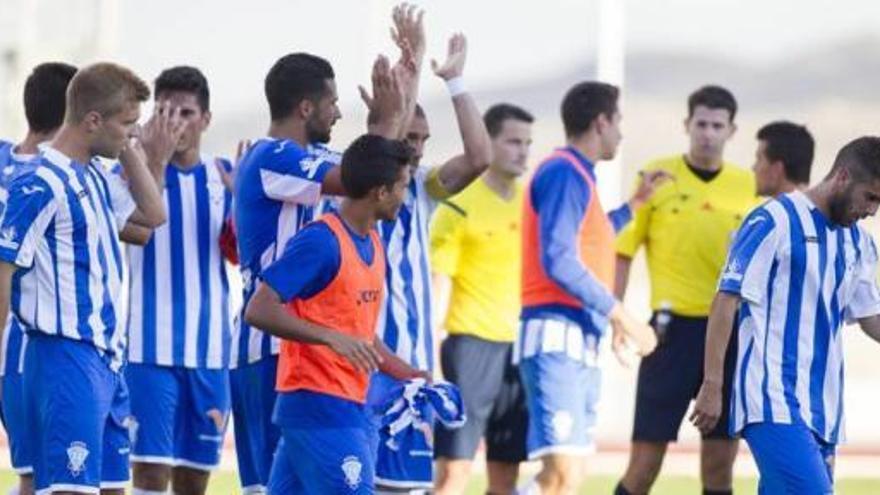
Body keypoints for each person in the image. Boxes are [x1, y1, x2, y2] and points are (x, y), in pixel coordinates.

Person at [229, 7, 422, 492]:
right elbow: (368, 175)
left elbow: (380, 170)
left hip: (310, 359)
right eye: (333, 102)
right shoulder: (273, 157)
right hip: (271, 349)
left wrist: (406, 84)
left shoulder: (311, 165)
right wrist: (391, 111)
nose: (340, 112)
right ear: (305, 108)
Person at [0, 62, 181, 495]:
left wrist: (131, 150)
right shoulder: (40, 183)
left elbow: (154, 215)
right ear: (93, 121)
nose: (132, 134)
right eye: (127, 124)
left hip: (106, 359)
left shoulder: (96, 176)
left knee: (114, 488)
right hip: (64, 358)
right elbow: (2, 273)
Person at [691, 136, 880, 494]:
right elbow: (726, 299)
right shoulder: (773, 221)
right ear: (842, 176)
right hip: (771, 396)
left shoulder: (859, 243)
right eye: (870, 197)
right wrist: (713, 384)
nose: (872, 211)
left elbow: (871, 317)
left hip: (823, 406)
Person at [244, 134, 428, 494]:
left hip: (342, 405)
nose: (405, 198)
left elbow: (354, 328)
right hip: (319, 406)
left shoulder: (372, 241)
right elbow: (260, 308)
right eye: (403, 187)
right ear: (380, 191)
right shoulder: (321, 241)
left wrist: (403, 371)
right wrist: (330, 338)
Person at [517, 81, 663, 495]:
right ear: (601, 122)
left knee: (570, 478)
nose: (621, 132)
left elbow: (592, 242)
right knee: (560, 477)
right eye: (618, 121)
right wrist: (623, 317)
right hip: (554, 337)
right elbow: (559, 258)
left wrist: (634, 205)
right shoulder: (564, 172)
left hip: (577, 337)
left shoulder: (579, 176)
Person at [367, 32, 497, 493]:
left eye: (424, 139)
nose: (419, 148)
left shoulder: (422, 189)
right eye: (409, 137)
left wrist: (455, 81)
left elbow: (481, 158)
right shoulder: (356, 192)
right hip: (374, 369)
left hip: (416, 374)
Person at [614, 85, 757, 495]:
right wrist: (618, 320)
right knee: (644, 466)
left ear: (731, 130)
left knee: (718, 468)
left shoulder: (747, 185)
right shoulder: (656, 176)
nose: (708, 133)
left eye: (717, 125)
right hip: (669, 334)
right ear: (686, 125)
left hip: (728, 333)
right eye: (701, 124)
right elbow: (623, 252)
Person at [125, 66, 235, 495]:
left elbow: (240, 256)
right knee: (150, 474)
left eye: (186, 113)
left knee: (193, 480)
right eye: (165, 111)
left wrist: (242, 207)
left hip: (208, 354)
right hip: (147, 349)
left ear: (206, 119)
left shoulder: (223, 176)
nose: (174, 122)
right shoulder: (133, 171)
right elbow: (137, 225)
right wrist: (153, 159)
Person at [430, 103, 534, 495]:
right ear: (488, 142)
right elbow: (440, 285)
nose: (522, 151)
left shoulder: (531, 203)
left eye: (527, 143)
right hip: (470, 349)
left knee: (505, 477)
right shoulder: (459, 204)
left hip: (518, 351)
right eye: (512, 141)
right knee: (453, 475)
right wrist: (432, 355)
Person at [0, 61, 77, 495]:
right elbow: (142, 223)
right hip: (33, 354)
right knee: (43, 479)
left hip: (23, 356)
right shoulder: (56, 177)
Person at [752, 121, 814, 197]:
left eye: (759, 159)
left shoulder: (772, 209)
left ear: (776, 170)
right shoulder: (820, 207)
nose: (753, 168)